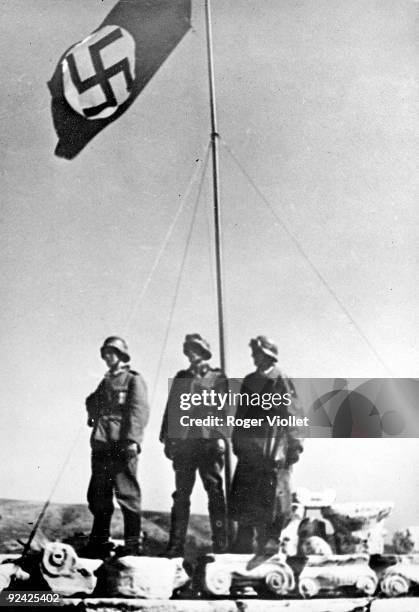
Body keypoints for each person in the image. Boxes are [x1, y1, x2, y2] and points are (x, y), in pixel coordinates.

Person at [230, 335, 304, 556]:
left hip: (274, 447)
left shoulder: (281, 379)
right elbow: (241, 416)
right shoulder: (249, 381)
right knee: (246, 495)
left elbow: (294, 415)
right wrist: (238, 441)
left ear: (269, 355)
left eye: (259, 353)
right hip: (250, 448)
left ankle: (272, 539)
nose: (255, 357)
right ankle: (243, 542)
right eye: (254, 353)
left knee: (274, 496)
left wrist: (295, 446)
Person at [160, 334, 228, 557]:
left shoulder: (218, 378)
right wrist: (168, 439)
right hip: (185, 444)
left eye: (196, 350)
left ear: (204, 353)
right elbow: (171, 410)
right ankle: (175, 545)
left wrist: (221, 437)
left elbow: (224, 410)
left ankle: (221, 544)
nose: (191, 354)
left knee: (215, 492)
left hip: (208, 441)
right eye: (189, 350)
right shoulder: (181, 377)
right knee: (181, 495)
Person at [84, 336, 149, 558]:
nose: (107, 357)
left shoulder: (133, 380)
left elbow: (138, 411)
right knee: (99, 494)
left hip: (121, 444)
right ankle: (99, 542)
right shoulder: (106, 380)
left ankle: (132, 544)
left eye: (111, 353)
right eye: (105, 353)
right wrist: (92, 413)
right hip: (102, 444)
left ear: (121, 356)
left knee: (127, 494)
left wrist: (132, 440)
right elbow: (92, 401)